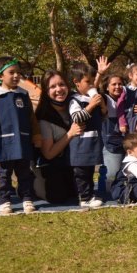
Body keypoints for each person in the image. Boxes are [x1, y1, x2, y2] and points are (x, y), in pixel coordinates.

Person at [0, 57, 41, 215]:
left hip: (22, 141)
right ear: (0, 76)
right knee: (4, 173)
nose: (16, 76)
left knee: (24, 172)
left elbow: (31, 118)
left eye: (18, 72)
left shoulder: (23, 94)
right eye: (11, 72)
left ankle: (27, 198)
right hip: (5, 142)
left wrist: (36, 135)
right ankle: (5, 200)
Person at [35, 70, 80, 204]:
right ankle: (31, 185)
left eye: (62, 84)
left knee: (76, 193)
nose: (59, 89)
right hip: (49, 163)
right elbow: (48, 154)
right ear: (46, 91)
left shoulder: (75, 105)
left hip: (70, 162)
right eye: (53, 87)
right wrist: (70, 133)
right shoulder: (44, 117)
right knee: (57, 197)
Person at [69, 62, 107, 208]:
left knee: (90, 171)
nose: (91, 85)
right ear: (76, 82)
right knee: (81, 174)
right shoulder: (75, 100)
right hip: (81, 145)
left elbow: (103, 116)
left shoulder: (91, 98)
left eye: (92, 82)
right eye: (88, 82)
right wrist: (91, 106)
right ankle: (84, 197)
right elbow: (77, 117)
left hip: (93, 143)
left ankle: (90, 194)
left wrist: (102, 105)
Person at [100, 73, 126, 187]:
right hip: (112, 145)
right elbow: (94, 93)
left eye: (120, 84)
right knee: (112, 176)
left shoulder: (126, 99)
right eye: (113, 84)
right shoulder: (105, 100)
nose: (117, 87)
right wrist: (100, 73)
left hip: (128, 143)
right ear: (107, 87)